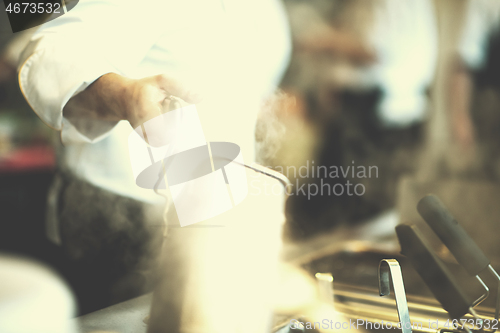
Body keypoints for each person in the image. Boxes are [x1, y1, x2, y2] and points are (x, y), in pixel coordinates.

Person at [18, 0, 291, 314]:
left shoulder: (269, 8)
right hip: (126, 212)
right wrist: (122, 96)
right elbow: (53, 52)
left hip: (219, 213)